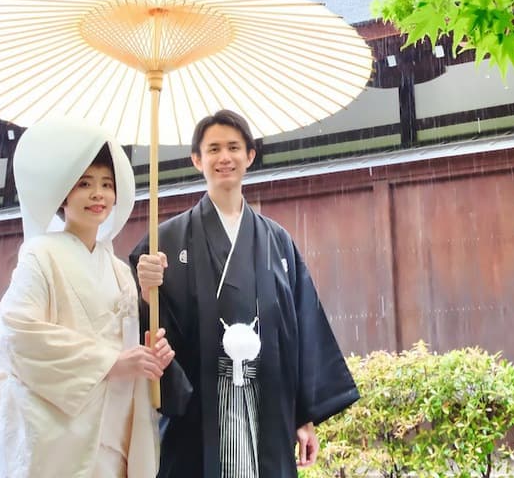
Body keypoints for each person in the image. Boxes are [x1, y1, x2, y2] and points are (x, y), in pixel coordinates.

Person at [132, 109, 358, 478]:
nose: (225, 158)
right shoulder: (165, 241)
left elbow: (299, 328)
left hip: (267, 409)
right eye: (214, 149)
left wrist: (302, 417)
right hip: (198, 411)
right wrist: (145, 291)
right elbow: (150, 327)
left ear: (250, 156)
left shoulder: (277, 241)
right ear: (196, 160)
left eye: (234, 148)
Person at [0, 116, 175, 478]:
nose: (98, 194)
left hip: (111, 429)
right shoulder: (40, 254)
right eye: (85, 184)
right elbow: (15, 333)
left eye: (106, 184)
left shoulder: (119, 272)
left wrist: (148, 354)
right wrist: (109, 362)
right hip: (53, 428)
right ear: (64, 194)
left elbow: (127, 351)